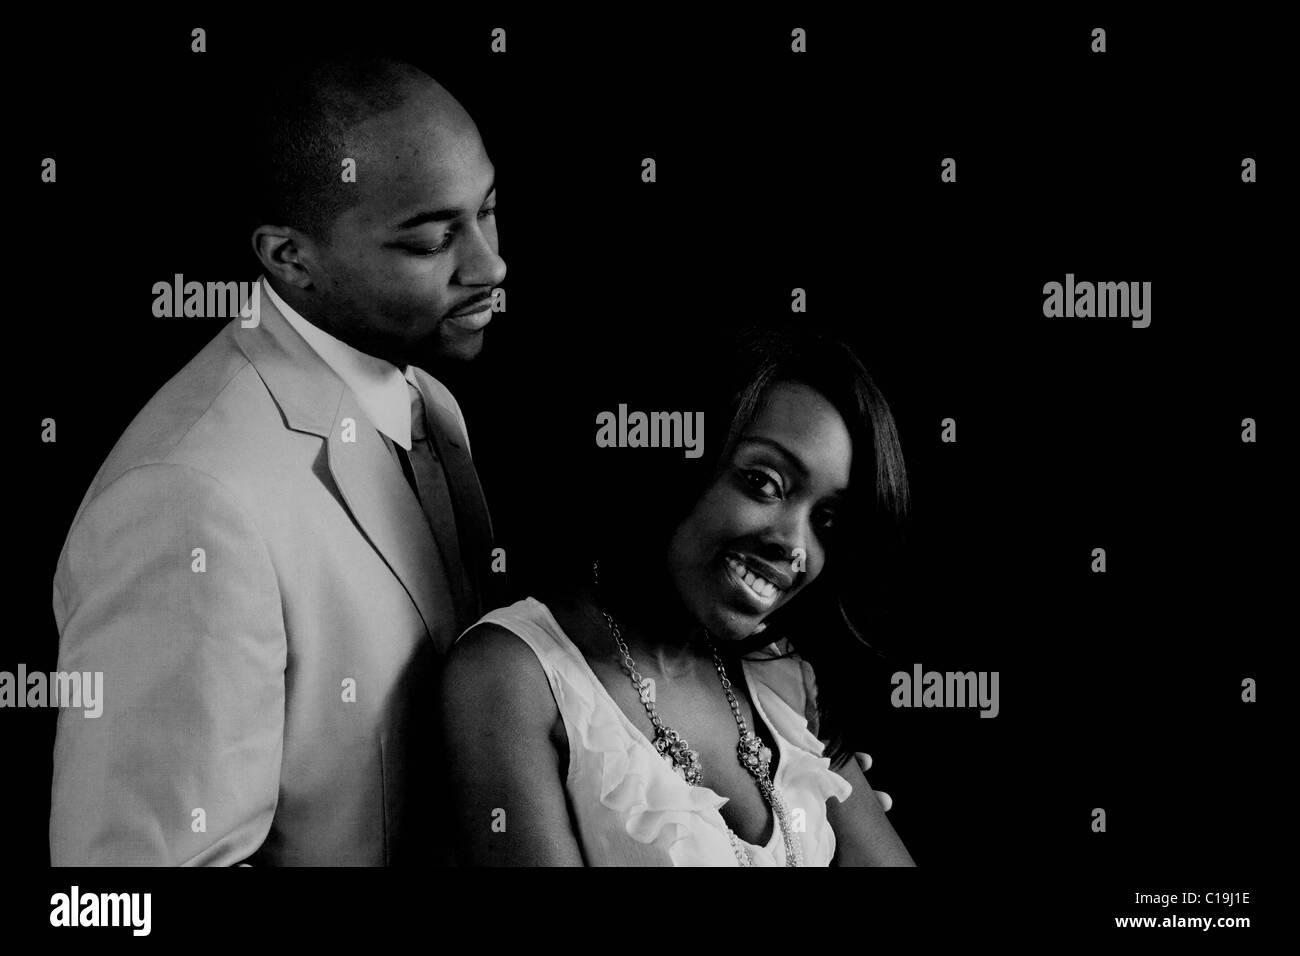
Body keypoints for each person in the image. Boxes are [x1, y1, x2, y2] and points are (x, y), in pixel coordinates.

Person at [49, 55, 506, 865]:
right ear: (288, 258)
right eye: (434, 240)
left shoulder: (427, 398)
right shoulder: (187, 499)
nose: (489, 266)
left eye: (489, 212)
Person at [441, 327, 917, 865]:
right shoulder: (515, 675)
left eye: (826, 519)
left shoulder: (784, 678)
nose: (794, 546)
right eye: (764, 482)